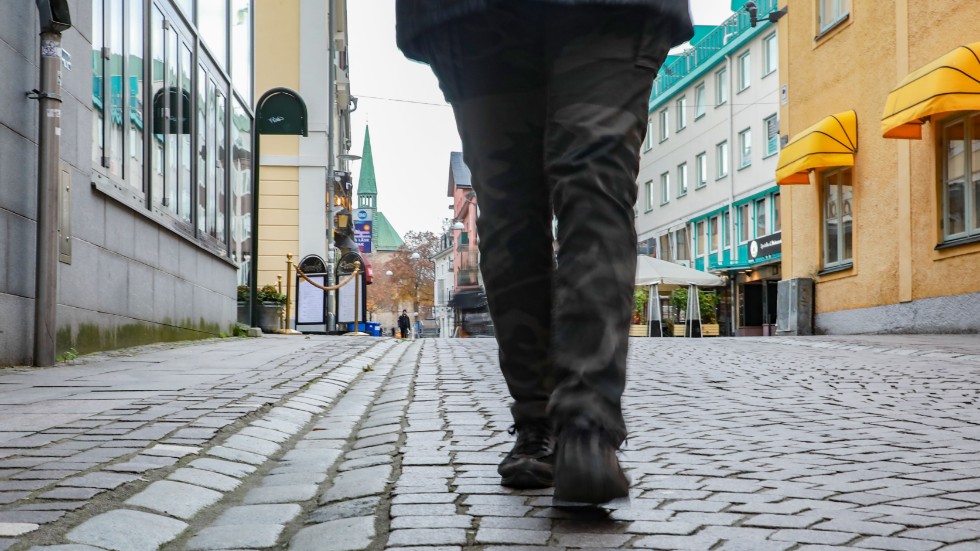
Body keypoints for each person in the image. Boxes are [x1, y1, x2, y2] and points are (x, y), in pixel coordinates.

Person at [396, 1, 692, 504]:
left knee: (510, 207)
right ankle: (585, 433)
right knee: (596, 185)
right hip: (607, 14)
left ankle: (538, 429)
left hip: (473, 17)